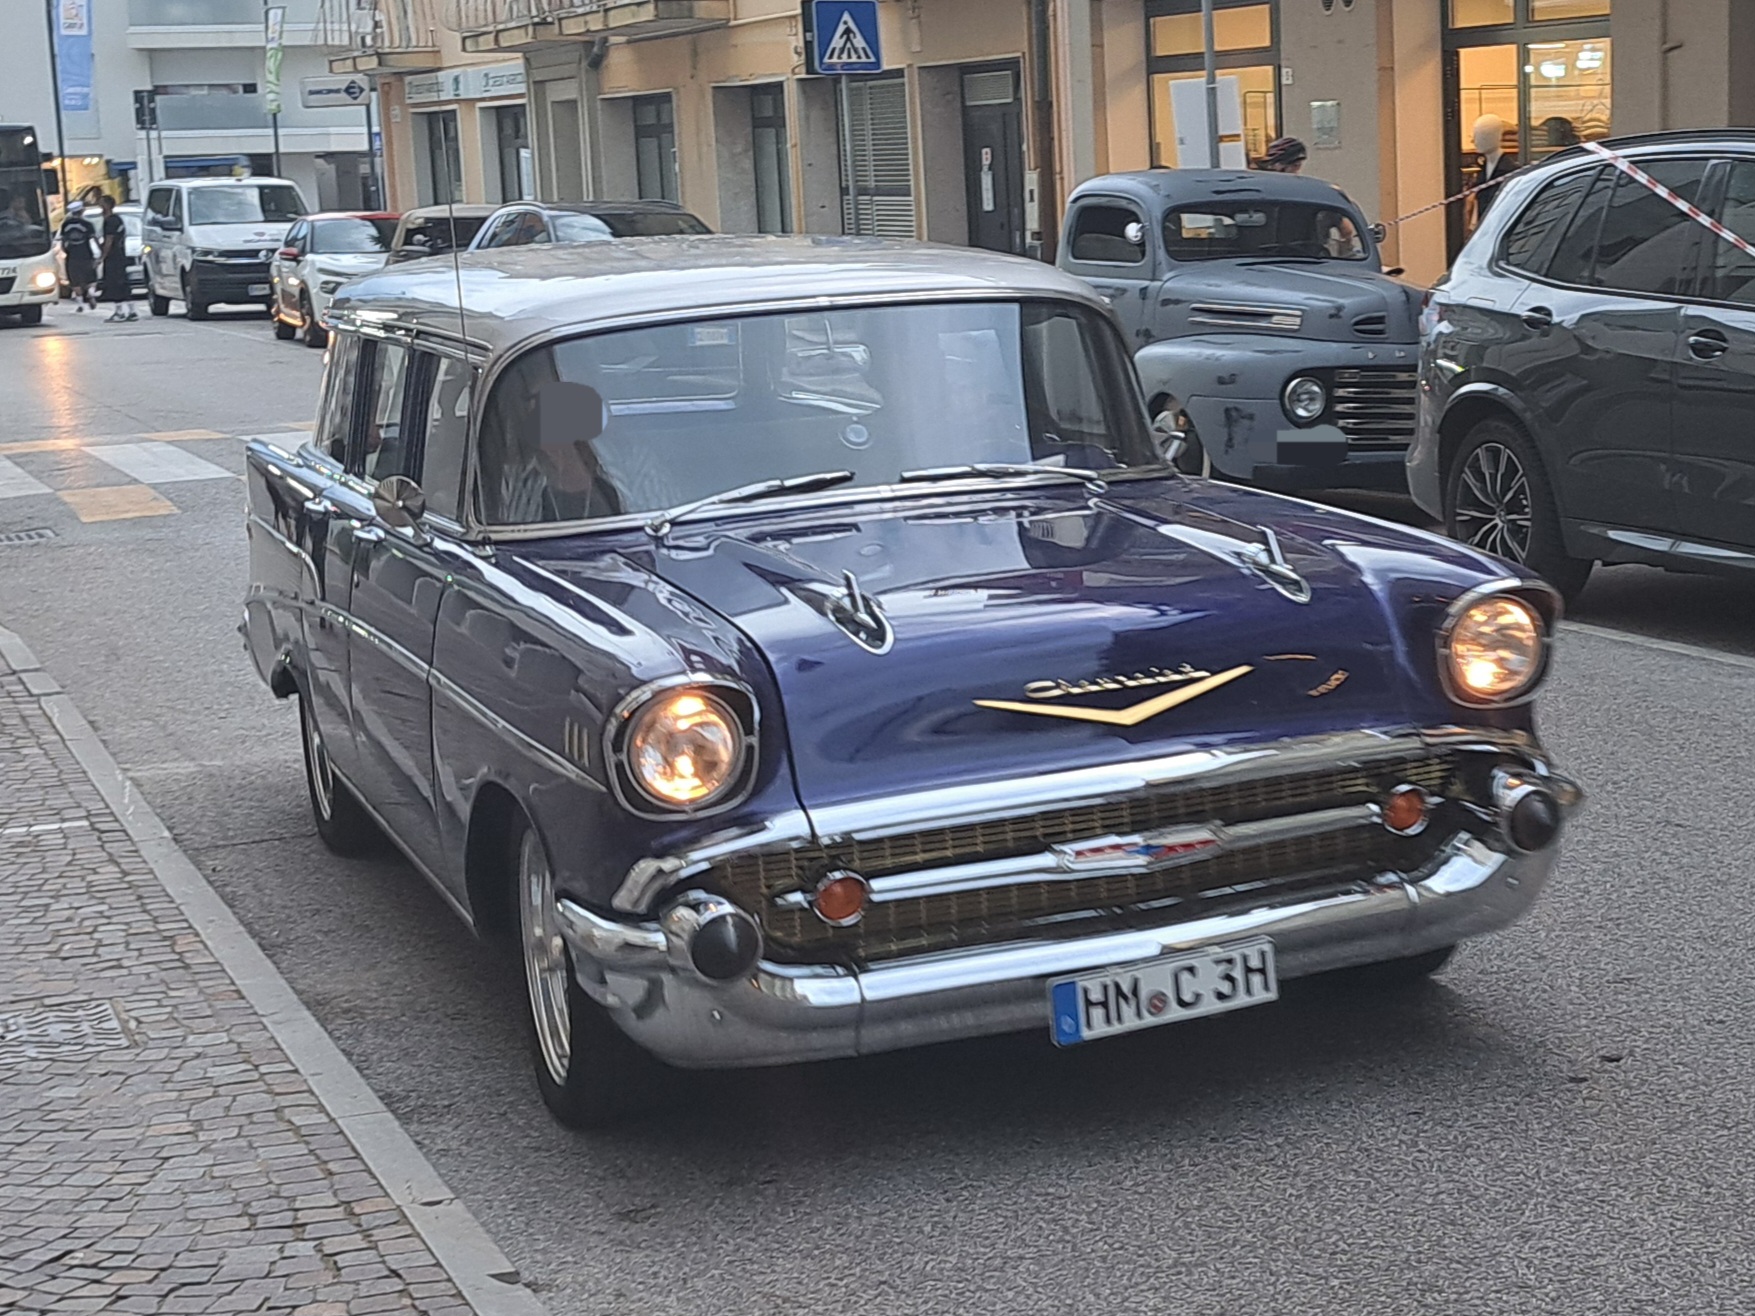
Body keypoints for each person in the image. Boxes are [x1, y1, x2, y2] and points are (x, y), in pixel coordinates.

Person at [96, 194, 136, 322]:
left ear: (107, 205)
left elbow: (109, 240)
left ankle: (119, 313)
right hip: (121, 255)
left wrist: (102, 257)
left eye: (101, 203)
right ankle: (132, 310)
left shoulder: (110, 221)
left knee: (114, 284)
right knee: (123, 283)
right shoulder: (118, 219)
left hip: (113, 257)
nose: (99, 206)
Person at [59, 201, 99, 311]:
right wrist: (100, 250)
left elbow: (63, 241)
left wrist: (65, 251)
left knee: (75, 280)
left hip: (72, 255)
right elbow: (93, 238)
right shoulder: (87, 224)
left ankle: (80, 304)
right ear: (82, 211)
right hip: (86, 254)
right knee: (91, 278)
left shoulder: (65, 225)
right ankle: (91, 293)